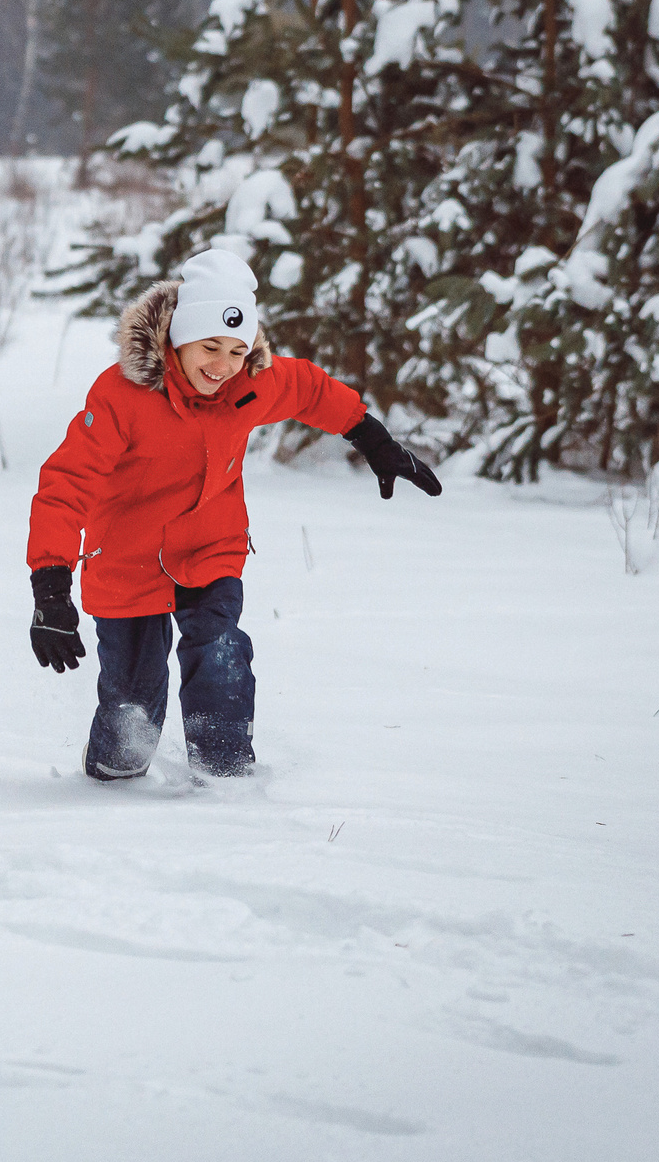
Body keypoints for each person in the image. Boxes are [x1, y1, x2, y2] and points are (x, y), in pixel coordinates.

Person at [25, 247, 440, 780]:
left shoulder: (248, 385)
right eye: (210, 346)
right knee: (133, 704)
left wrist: (370, 436)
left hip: (209, 547)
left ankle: (225, 779)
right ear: (178, 336)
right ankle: (113, 781)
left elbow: (309, 388)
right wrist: (51, 582)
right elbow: (66, 482)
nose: (223, 366)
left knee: (220, 651)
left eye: (238, 350)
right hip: (128, 558)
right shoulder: (122, 396)